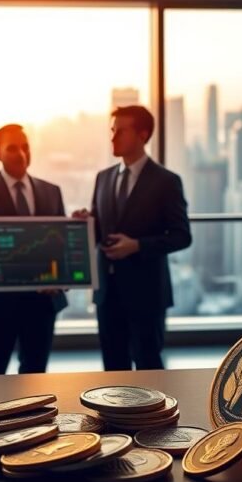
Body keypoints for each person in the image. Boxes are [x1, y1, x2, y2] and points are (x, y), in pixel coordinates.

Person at [73, 105, 191, 370]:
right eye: (112, 130)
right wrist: (86, 222)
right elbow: (102, 226)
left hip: (146, 294)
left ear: (143, 134)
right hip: (107, 293)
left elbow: (182, 236)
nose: (113, 137)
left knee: (149, 368)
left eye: (120, 131)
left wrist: (136, 246)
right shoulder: (103, 178)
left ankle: (152, 415)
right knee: (113, 370)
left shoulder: (166, 181)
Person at [0, 124, 68, 375]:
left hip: (42, 302)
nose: (21, 153)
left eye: (25, 147)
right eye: (12, 148)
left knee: (35, 377)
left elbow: (61, 245)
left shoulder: (51, 191)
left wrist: (60, 279)